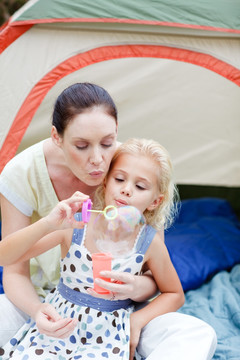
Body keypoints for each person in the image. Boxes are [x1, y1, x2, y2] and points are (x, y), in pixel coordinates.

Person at [0, 83, 217, 359]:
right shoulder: (34, 184)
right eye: (81, 145)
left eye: (107, 143)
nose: (99, 160)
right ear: (57, 137)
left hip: (118, 318)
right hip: (47, 305)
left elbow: (157, 274)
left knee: (198, 334)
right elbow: (10, 263)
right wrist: (37, 311)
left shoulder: (131, 164)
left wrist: (137, 292)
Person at [0, 138, 185, 359]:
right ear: (106, 183)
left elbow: (174, 294)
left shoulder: (149, 242)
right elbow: (6, 256)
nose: (126, 190)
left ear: (156, 201)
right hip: (58, 326)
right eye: (119, 179)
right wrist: (48, 223)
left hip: (107, 335)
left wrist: (136, 320)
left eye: (140, 186)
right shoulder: (76, 225)